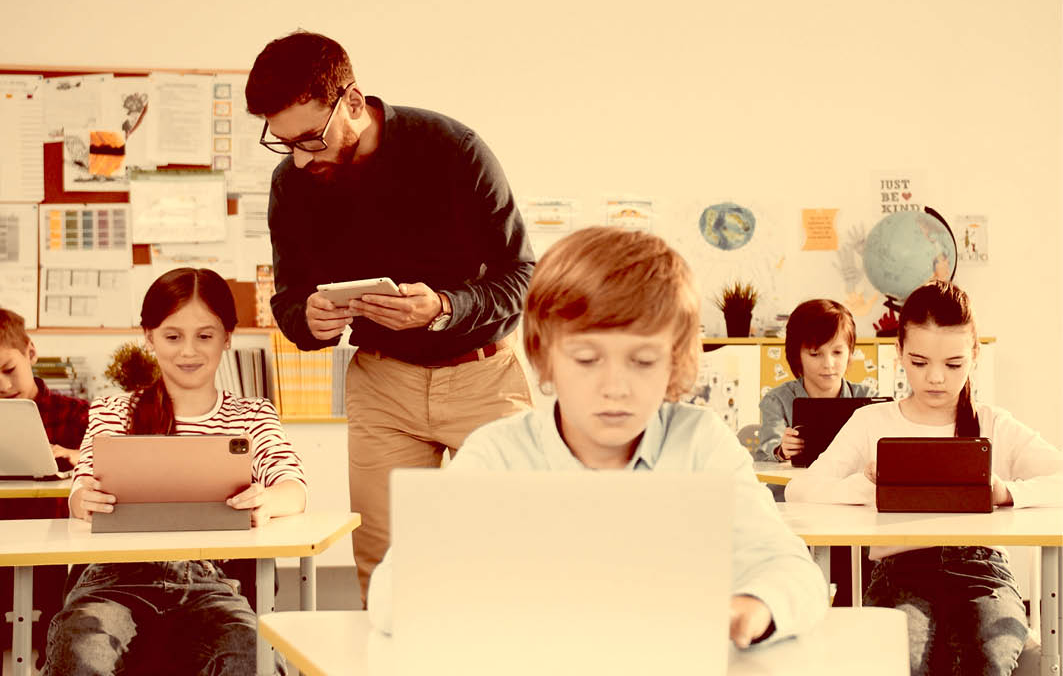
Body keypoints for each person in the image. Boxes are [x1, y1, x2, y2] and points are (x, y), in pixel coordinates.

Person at [367, 227, 828, 647]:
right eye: (587, 359)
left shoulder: (700, 442)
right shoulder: (498, 452)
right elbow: (391, 594)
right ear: (545, 359)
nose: (614, 386)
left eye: (643, 362)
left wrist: (755, 608)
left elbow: (793, 573)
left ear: (676, 363)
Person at [246, 30, 535, 600]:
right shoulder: (294, 182)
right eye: (285, 144)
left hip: (483, 376)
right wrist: (310, 321)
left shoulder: (453, 149)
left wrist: (446, 308)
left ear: (352, 101)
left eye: (311, 138)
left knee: (513, 549)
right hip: (382, 384)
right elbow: (289, 299)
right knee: (385, 569)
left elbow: (522, 278)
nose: (301, 158)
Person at [785, 280, 1063, 676]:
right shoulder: (871, 422)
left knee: (988, 660)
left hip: (983, 572)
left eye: (953, 365)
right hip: (902, 571)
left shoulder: (992, 423)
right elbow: (800, 491)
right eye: (919, 362)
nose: (936, 378)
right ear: (898, 352)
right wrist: (868, 485)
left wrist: (1006, 492)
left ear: (974, 355)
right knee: (907, 661)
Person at [43, 268, 307, 676]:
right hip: (112, 579)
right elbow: (80, 492)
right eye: (172, 336)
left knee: (250, 656)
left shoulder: (251, 415)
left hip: (209, 580)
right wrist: (83, 499)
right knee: (82, 650)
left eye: (205, 335)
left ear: (227, 337)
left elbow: (293, 487)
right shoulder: (114, 412)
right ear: (148, 337)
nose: (189, 351)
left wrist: (269, 499)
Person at [0, 305, 88, 674]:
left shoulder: (75, 413)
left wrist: (73, 456)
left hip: (51, 539)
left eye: (9, 370)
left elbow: (101, 461)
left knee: (59, 575)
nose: (3, 387)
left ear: (30, 352)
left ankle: (53, 652)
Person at [758, 298, 877, 464]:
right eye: (815, 354)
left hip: (844, 487)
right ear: (797, 356)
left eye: (837, 352)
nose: (828, 364)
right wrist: (782, 451)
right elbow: (766, 454)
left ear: (850, 352)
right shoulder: (776, 400)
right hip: (792, 488)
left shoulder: (868, 398)